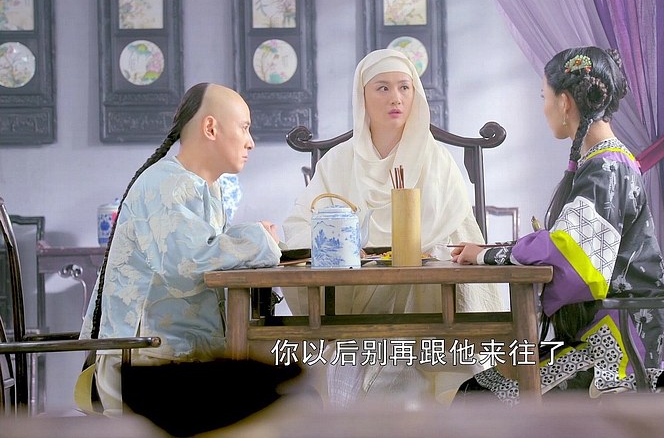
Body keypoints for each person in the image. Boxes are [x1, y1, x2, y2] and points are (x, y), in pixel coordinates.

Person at [451, 46, 664, 405]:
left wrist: (487, 255)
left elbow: (569, 252)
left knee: (475, 397)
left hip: (613, 344)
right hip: (606, 330)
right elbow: (566, 244)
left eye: (544, 96)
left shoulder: (607, 168)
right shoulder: (606, 163)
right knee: (479, 388)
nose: (544, 107)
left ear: (565, 102)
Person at [281, 49, 503, 407]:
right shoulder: (339, 161)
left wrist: (423, 250)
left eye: (404, 87)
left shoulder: (438, 162)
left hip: (427, 297)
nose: (396, 98)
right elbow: (299, 224)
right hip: (356, 298)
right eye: (382, 88)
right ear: (362, 96)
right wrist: (340, 248)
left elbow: (461, 239)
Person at [78, 83, 283, 415]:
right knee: (284, 403)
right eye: (244, 128)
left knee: (283, 398)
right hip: (143, 363)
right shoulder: (167, 184)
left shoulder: (203, 187)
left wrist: (258, 240)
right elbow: (188, 267)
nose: (251, 142)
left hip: (173, 357)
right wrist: (258, 239)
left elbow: (206, 250)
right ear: (211, 128)